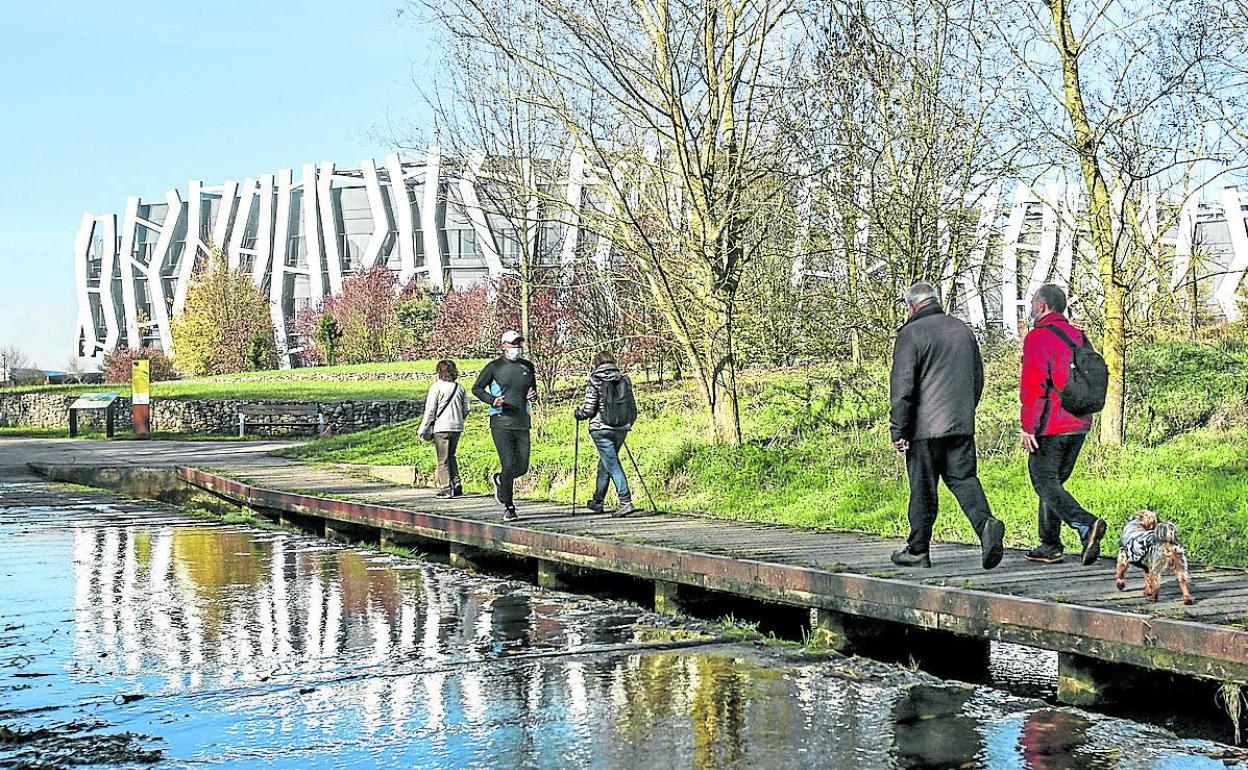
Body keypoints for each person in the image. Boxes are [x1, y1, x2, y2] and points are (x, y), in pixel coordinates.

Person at [889, 281, 1005, 569]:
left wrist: (898, 428)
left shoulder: (910, 333)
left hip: (924, 428)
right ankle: (986, 524)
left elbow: (903, 387)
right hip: (960, 423)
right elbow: (977, 378)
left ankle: (917, 550)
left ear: (912, 306)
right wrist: (965, 411)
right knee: (964, 479)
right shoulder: (962, 330)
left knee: (923, 487)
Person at [1020, 284, 1108, 565]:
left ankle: (1086, 524)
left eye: (1033, 303)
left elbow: (1035, 386)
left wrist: (1028, 426)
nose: (1031, 308)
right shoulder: (1078, 336)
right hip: (1079, 422)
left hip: (1052, 424)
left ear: (1043, 306)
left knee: (1043, 480)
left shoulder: (1038, 337)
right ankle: (1049, 545)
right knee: (1053, 485)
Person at [472, 330, 538, 522]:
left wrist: (533, 395)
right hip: (501, 421)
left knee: (522, 467)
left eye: (518, 344)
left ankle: (501, 479)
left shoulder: (527, 366)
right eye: (512, 344)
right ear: (503, 346)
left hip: (522, 421)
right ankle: (509, 507)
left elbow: (532, 389)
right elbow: (477, 389)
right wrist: (492, 400)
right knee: (508, 463)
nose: (516, 348)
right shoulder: (494, 367)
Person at [573, 351, 635, 517]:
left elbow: (588, 409)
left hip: (601, 428)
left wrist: (578, 414)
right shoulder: (625, 380)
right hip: (621, 428)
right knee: (606, 463)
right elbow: (632, 408)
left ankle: (625, 500)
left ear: (596, 364)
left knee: (612, 464)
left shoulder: (595, 380)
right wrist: (626, 424)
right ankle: (598, 501)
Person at [417, 359, 470, 498]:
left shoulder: (436, 387)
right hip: (457, 426)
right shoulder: (459, 388)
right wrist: (459, 419)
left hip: (441, 427)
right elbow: (467, 408)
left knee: (442, 459)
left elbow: (430, 411)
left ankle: (446, 488)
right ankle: (456, 483)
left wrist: (422, 428)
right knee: (451, 455)